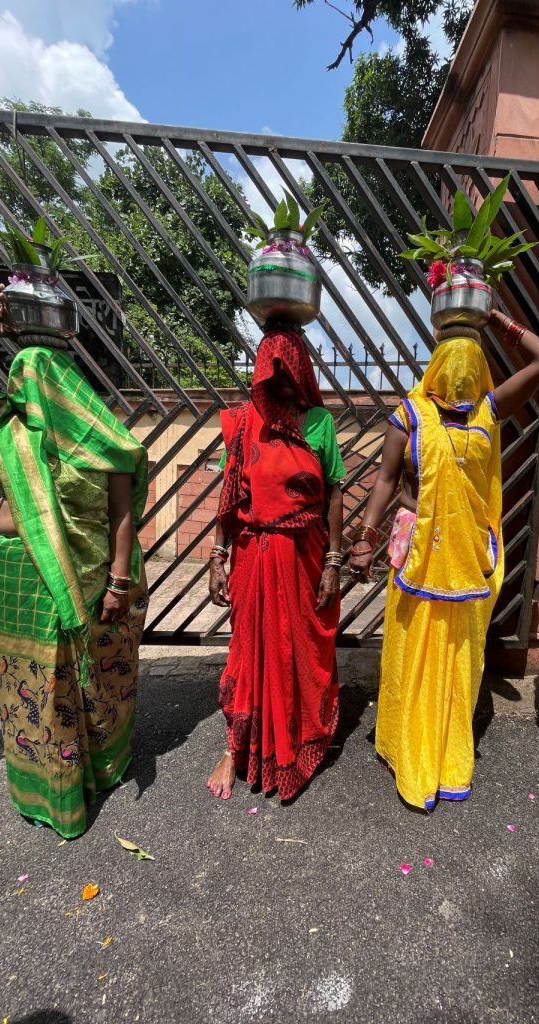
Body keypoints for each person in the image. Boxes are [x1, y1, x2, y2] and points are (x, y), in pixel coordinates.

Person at [0, 284, 148, 838]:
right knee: (30, 684)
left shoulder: (101, 439)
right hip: (20, 577)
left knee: (79, 682)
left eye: (31, 379)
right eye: (17, 378)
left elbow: (122, 514)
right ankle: (47, 788)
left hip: (84, 576)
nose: (21, 387)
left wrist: (118, 582)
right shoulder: (7, 427)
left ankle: (91, 774)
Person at [349, 311, 539, 810]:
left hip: (465, 556)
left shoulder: (488, 411)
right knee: (412, 647)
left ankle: (444, 746)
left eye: (471, 363)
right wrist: (365, 536)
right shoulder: (411, 414)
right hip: (420, 553)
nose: (461, 375)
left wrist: (494, 320)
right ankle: (406, 742)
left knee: (459, 653)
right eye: (452, 361)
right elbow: (384, 480)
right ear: (435, 364)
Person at [206, 326, 346, 802]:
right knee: (249, 653)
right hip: (253, 556)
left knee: (300, 652)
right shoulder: (243, 423)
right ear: (261, 374)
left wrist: (333, 562)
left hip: (305, 558)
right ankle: (235, 749)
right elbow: (228, 495)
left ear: (303, 371)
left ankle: (299, 739)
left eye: (290, 371)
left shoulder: (320, 424)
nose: (282, 382)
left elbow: (335, 495)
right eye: (273, 371)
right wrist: (217, 556)